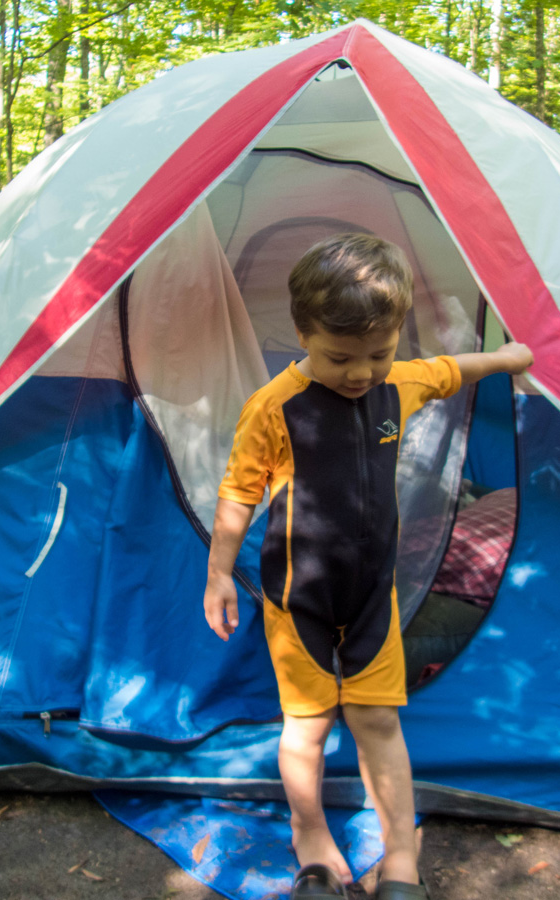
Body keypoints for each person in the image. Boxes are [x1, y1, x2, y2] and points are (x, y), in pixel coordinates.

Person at [203, 233, 533, 900]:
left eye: (377, 355)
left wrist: (505, 357)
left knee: (378, 721)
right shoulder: (274, 407)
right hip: (299, 602)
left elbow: (449, 369)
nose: (360, 373)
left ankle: (401, 857)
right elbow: (239, 490)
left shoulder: (397, 385)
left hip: (370, 599)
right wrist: (216, 574)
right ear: (303, 333)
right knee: (308, 725)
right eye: (340, 357)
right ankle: (310, 837)